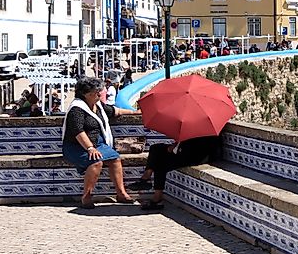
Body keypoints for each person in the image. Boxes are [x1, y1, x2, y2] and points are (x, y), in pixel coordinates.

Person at [61, 77, 138, 208]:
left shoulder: (98, 106)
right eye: (97, 91)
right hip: (76, 146)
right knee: (96, 162)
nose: (100, 93)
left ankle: (121, 193)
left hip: (98, 143)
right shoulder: (77, 109)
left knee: (115, 159)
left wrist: (134, 112)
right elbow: (78, 131)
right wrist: (90, 148)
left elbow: (115, 111)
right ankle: (86, 196)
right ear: (86, 94)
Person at [128, 136, 220, 209]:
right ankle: (147, 178)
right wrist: (176, 146)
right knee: (155, 149)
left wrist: (175, 148)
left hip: (198, 156)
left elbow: (194, 145)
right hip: (190, 151)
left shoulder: (199, 127)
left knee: (160, 162)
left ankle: (155, 195)